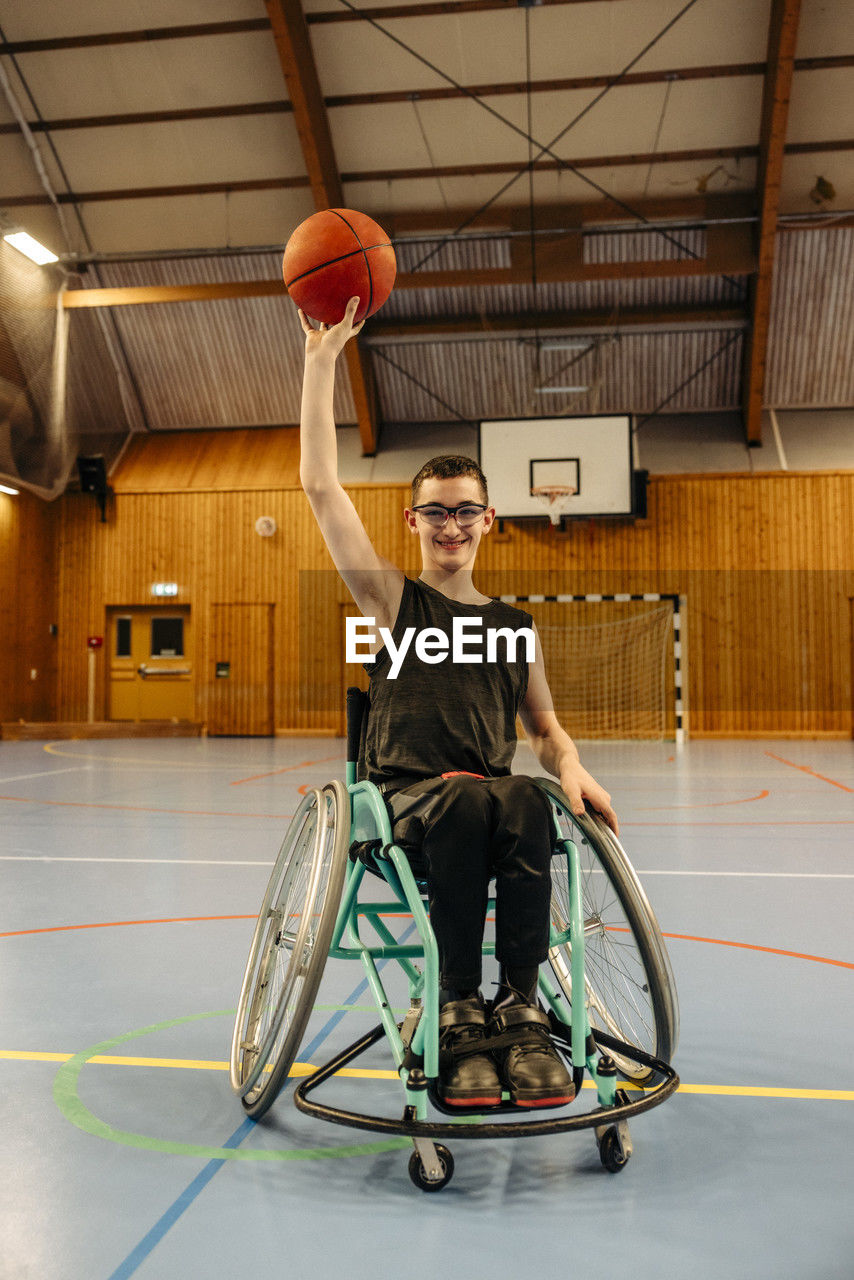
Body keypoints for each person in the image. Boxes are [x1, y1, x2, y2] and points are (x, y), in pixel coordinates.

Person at [298, 296, 620, 1111]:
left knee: (523, 797)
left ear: (489, 520)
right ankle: (455, 1005)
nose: (451, 524)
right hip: (409, 796)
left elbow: (543, 727)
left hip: (485, 799)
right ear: (413, 520)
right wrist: (321, 361)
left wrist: (574, 769)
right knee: (471, 802)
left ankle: (517, 1005)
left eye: (465, 510)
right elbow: (318, 486)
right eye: (435, 510)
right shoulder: (392, 601)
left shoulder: (514, 626)